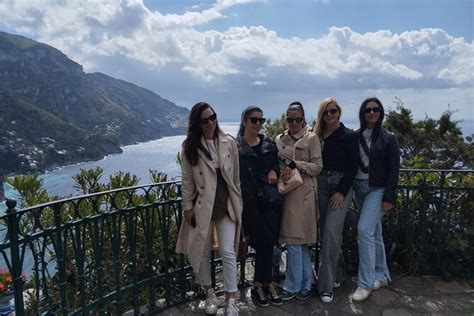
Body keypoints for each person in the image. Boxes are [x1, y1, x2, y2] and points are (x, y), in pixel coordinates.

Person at [175, 102, 243, 316]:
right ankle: (210, 292)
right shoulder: (190, 147)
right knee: (202, 251)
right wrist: (187, 208)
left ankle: (231, 298)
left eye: (213, 117)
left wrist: (239, 202)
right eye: (205, 120)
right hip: (203, 204)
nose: (211, 122)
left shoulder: (229, 142)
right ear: (197, 123)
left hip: (226, 202)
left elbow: (236, 178)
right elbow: (187, 181)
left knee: (227, 250)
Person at [351, 97, 400, 302]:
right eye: (367, 110)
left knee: (364, 231)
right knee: (375, 232)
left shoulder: (388, 138)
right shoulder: (355, 136)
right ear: (362, 113)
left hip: (377, 190)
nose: (371, 113)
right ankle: (382, 274)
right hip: (358, 188)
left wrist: (389, 197)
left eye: (376, 109)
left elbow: (394, 169)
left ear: (381, 112)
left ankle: (366, 283)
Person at [312, 98, 359, 303]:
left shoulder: (349, 136)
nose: (329, 115)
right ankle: (338, 274)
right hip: (321, 185)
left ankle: (326, 286)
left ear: (339, 112)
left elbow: (353, 167)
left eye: (332, 111)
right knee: (327, 233)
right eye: (325, 112)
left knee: (331, 232)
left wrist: (341, 192)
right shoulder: (317, 136)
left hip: (340, 187)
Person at [236, 106, 283, 307]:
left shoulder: (268, 144)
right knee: (263, 241)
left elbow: (276, 165)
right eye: (254, 120)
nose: (258, 124)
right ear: (244, 121)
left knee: (268, 243)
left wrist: (273, 170)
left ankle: (261, 285)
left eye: (261, 120)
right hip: (249, 204)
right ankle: (263, 284)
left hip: (270, 201)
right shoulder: (236, 146)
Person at [276, 102, 323, 301]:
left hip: (305, 194)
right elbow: (275, 163)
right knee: (298, 242)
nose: (294, 123)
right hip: (288, 192)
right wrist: (282, 173)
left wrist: (297, 165)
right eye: (290, 119)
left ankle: (292, 286)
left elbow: (318, 167)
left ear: (303, 119)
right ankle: (305, 285)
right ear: (286, 119)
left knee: (295, 241)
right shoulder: (279, 139)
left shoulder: (311, 138)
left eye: (297, 119)